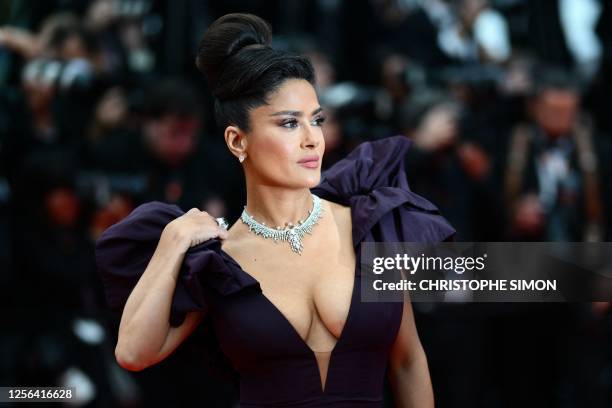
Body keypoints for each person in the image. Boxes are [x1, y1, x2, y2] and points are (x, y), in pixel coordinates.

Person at [96, 13, 455, 407]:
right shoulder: (218, 260)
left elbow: (406, 361)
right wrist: (172, 243)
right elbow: (133, 353)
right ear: (237, 141)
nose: (311, 140)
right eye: (288, 124)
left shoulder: (370, 225)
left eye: (316, 120)